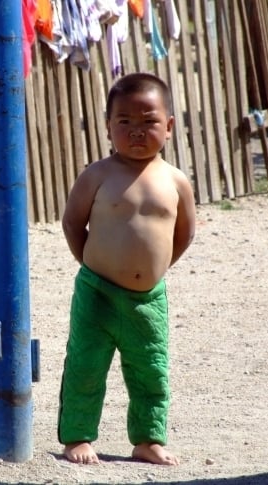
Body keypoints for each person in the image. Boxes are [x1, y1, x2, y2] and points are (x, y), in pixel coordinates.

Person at [58, 72, 196, 466]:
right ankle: (78, 437)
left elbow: (185, 232)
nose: (137, 131)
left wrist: (154, 269)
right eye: (125, 123)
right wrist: (92, 263)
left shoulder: (175, 180)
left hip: (148, 300)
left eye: (148, 122)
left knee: (150, 370)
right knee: (86, 364)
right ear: (108, 127)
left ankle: (148, 439)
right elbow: (72, 222)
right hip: (97, 292)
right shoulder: (98, 175)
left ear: (168, 127)